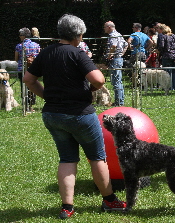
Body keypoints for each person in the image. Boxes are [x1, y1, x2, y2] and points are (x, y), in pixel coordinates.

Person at [23, 14, 126, 219]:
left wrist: (48, 96)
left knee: (67, 159)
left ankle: (67, 207)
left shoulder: (46, 53)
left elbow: (28, 79)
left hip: (53, 115)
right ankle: (110, 201)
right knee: (97, 157)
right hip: (80, 115)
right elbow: (99, 79)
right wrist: (91, 88)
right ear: (77, 35)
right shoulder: (78, 53)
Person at [14, 27, 40, 112]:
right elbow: (39, 57)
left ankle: (26, 106)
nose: (19, 37)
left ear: (23, 36)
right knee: (33, 86)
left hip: (22, 69)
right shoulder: (36, 45)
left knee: (24, 87)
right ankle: (32, 104)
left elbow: (16, 59)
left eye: (20, 35)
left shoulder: (19, 46)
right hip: (33, 69)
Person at [104, 21, 128, 106]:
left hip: (115, 60)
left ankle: (119, 103)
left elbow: (113, 46)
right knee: (118, 80)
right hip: (119, 59)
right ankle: (119, 101)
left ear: (109, 27)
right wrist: (122, 53)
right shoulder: (119, 34)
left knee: (116, 81)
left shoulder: (112, 35)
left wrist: (110, 55)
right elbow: (126, 44)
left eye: (105, 27)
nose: (104, 29)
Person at [158, 24, 175, 90]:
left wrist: (159, 51)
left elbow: (161, 46)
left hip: (166, 56)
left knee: (166, 72)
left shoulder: (163, 37)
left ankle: (168, 86)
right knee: (174, 71)